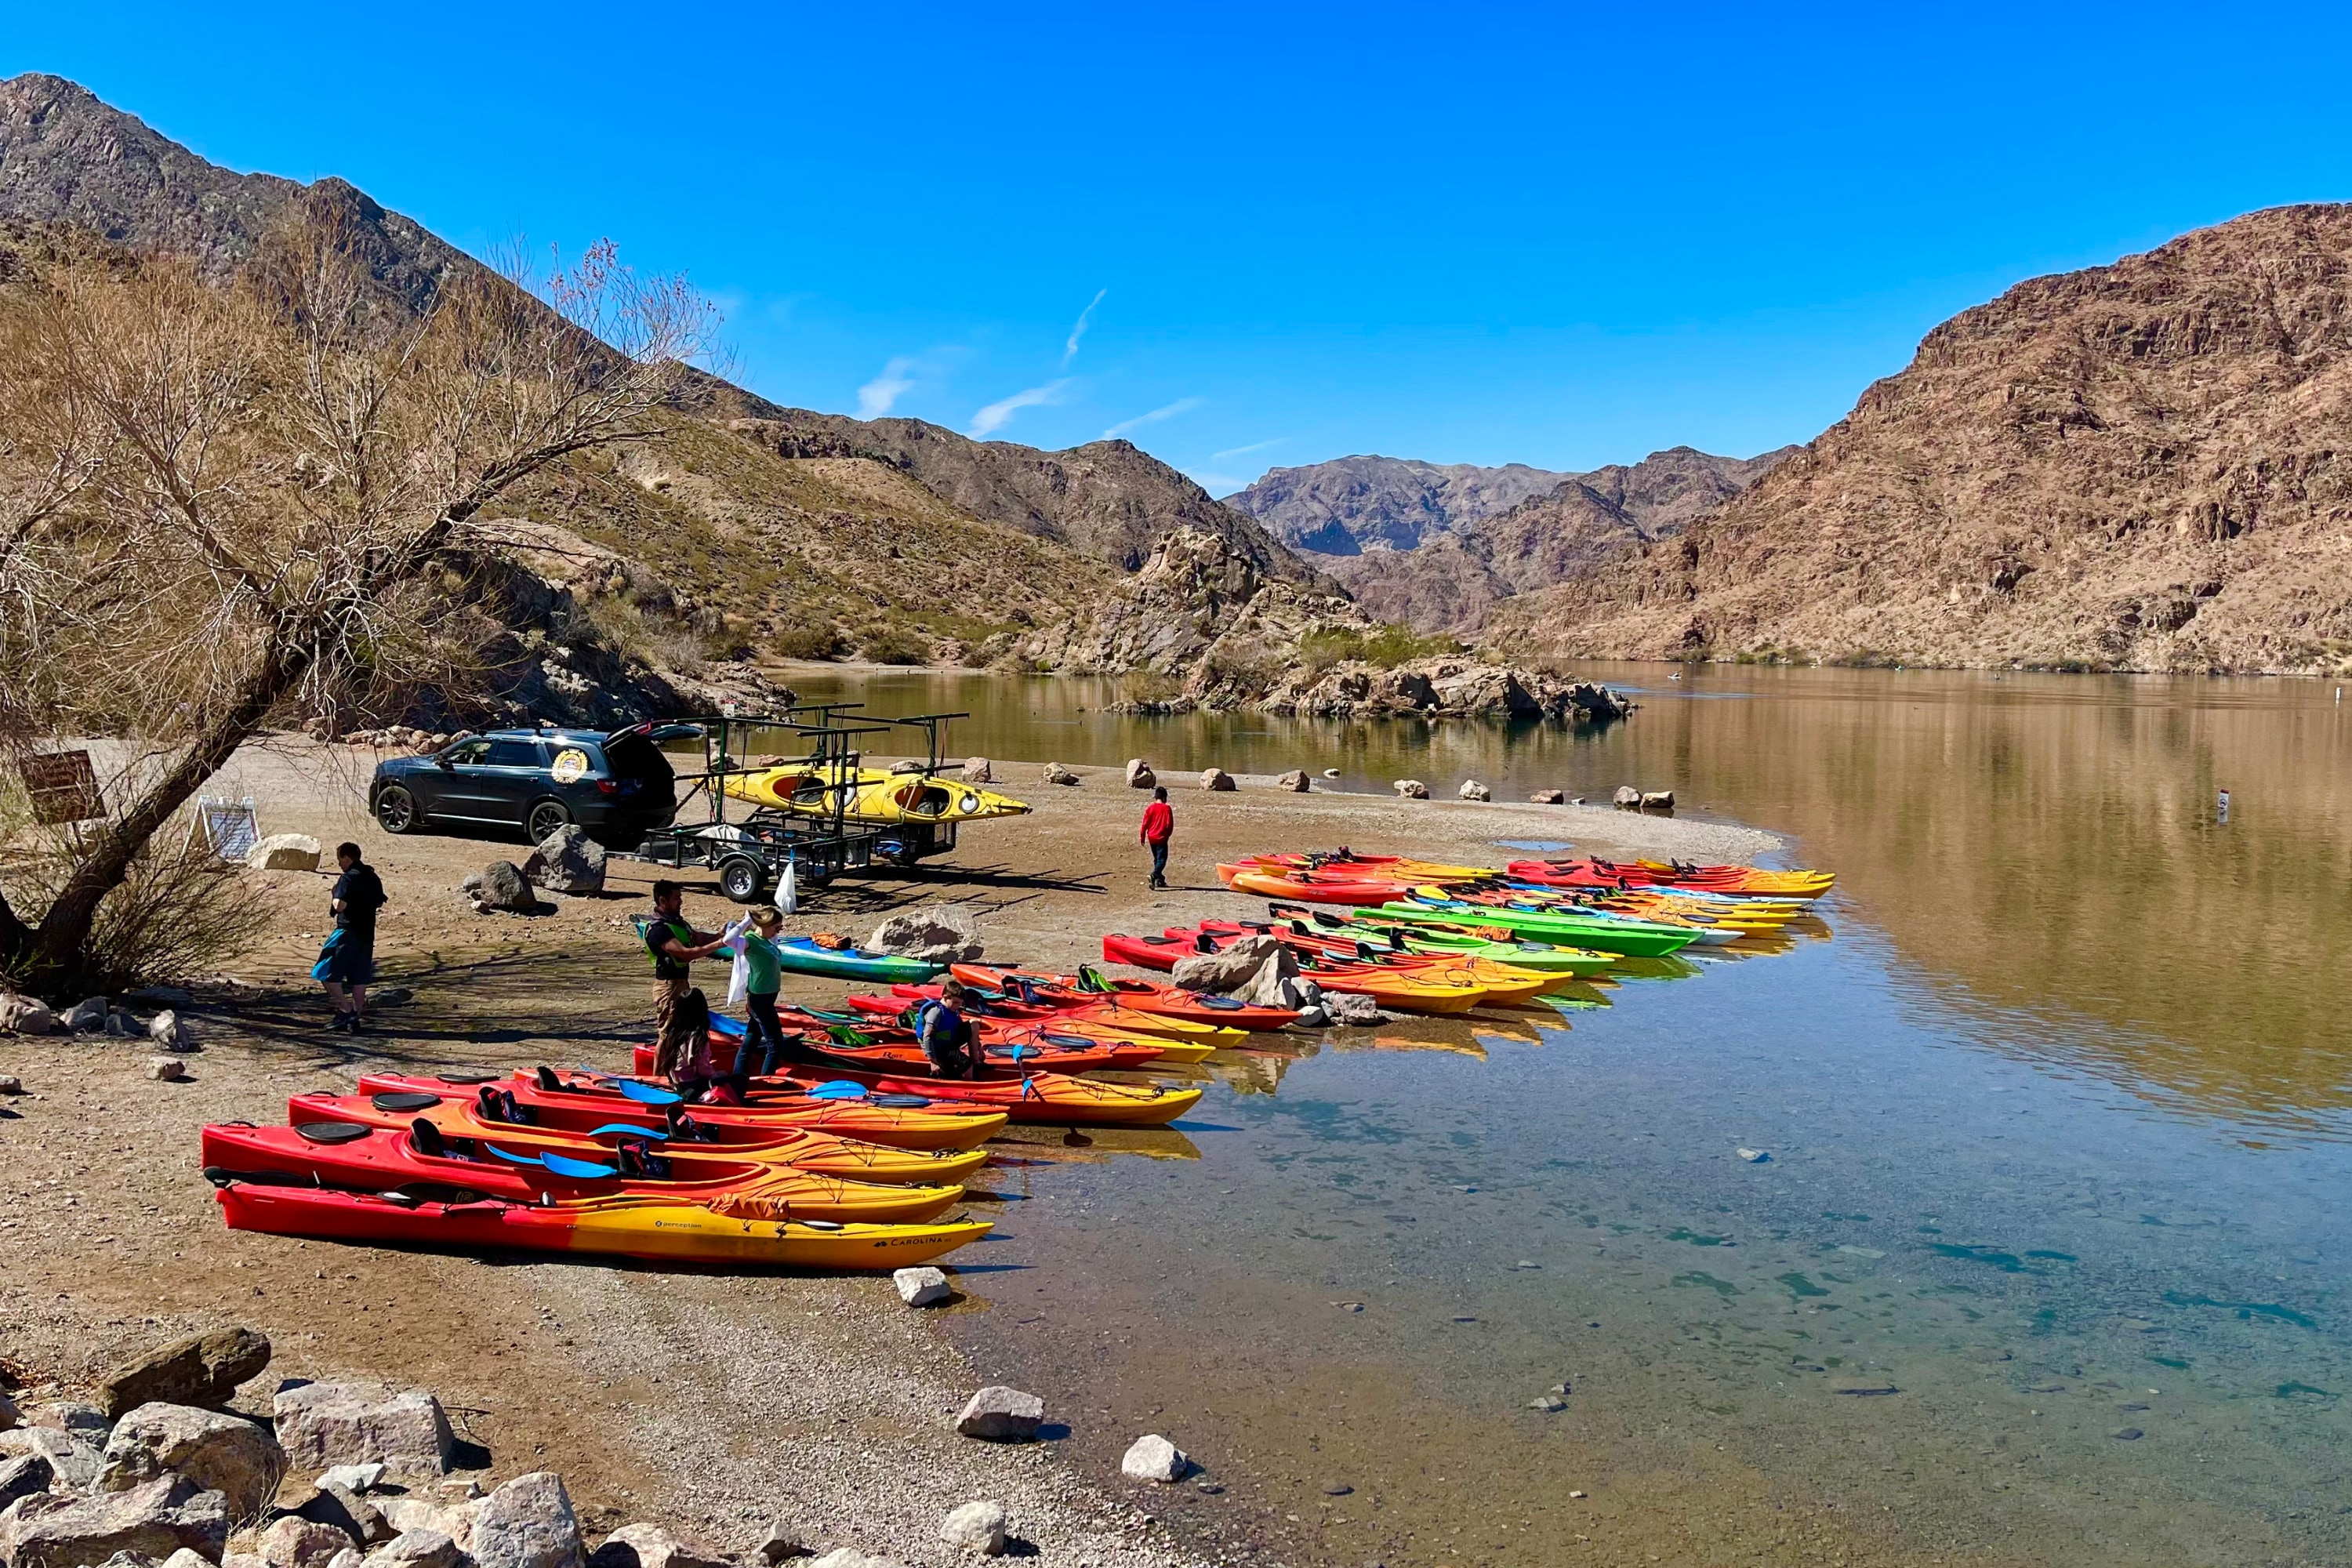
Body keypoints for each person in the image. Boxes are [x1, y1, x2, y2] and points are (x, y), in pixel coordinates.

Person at [643, 880, 729, 1080]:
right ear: (662, 900)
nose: (680, 902)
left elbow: (698, 939)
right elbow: (685, 954)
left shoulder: (677, 922)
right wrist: (720, 944)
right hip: (668, 986)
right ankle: (657, 1080)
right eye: (676, 898)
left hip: (680, 983)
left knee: (677, 1031)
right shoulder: (659, 930)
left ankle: (672, 1074)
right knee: (666, 1035)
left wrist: (720, 935)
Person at [726, 904, 808, 1091]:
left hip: (766, 999)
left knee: (751, 1040)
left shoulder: (767, 940)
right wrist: (747, 921)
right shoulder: (750, 940)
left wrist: (770, 927)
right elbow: (727, 940)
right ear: (765, 924)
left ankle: (739, 1077)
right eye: (777, 928)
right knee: (775, 1043)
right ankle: (764, 1084)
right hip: (760, 1001)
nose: (778, 932)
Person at [314, 842, 386, 1034]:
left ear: (347, 858)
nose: (339, 864)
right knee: (359, 979)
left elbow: (339, 906)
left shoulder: (347, 878)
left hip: (346, 932)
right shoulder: (372, 877)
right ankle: (355, 1021)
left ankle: (346, 1011)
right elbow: (378, 901)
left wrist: (334, 894)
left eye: (340, 860)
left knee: (324, 972)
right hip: (367, 935)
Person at [915, 978, 981, 1079]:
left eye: (960, 1003)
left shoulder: (952, 1010)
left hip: (949, 1041)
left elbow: (962, 1028)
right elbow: (927, 1037)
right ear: (945, 998)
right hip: (939, 1048)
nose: (958, 1006)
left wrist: (979, 1047)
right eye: (956, 1003)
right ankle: (970, 1084)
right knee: (967, 1065)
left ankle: (976, 1062)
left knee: (974, 1024)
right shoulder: (935, 1013)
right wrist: (933, 1061)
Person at [1140, 785, 1174, 891]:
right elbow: (1170, 824)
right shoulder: (1167, 808)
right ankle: (1154, 875)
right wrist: (1167, 835)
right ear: (1164, 797)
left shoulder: (1150, 808)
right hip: (1161, 837)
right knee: (1162, 860)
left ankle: (1159, 881)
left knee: (1157, 859)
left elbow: (1145, 823)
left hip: (1151, 837)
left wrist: (1142, 836)